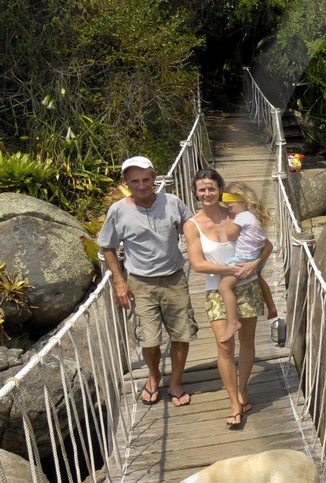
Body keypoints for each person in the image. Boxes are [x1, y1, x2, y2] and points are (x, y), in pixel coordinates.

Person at [98, 155, 198, 405]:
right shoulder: (118, 211)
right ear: (125, 182)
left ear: (154, 178)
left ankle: (175, 382)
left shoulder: (173, 202)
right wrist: (119, 282)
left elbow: (192, 227)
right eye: (135, 181)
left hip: (174, 279)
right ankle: (154, 377)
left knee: (181, 334)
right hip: (140, 283)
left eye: (146, 179)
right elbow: (107, 247)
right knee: (149, 338)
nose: (141, 185)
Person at [184, 168, 270, 429]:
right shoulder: (192, 225)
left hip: (249, 285)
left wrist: (255, 264)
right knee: (224, 346)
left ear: (220, 189)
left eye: (211, 187)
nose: (207, 193)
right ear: (196, 193)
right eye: (202, 189)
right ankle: (233, 401)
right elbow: (198, 265)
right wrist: (232, 270)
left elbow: (266, 245)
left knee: (247, 342)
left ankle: (242, 391)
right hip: (216, 289)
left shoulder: (238, 214)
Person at [217, 183, 280, 341]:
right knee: (258, 278)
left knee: (224, 287)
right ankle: (272, 307)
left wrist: (230, 222)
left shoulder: (242, 217)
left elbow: (230, 235)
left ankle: (232, 323)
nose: (230, 210)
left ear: (243, 202)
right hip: (256, 256)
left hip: (244, 259)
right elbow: (266, 242)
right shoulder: (255, 217)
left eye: (231, 207)